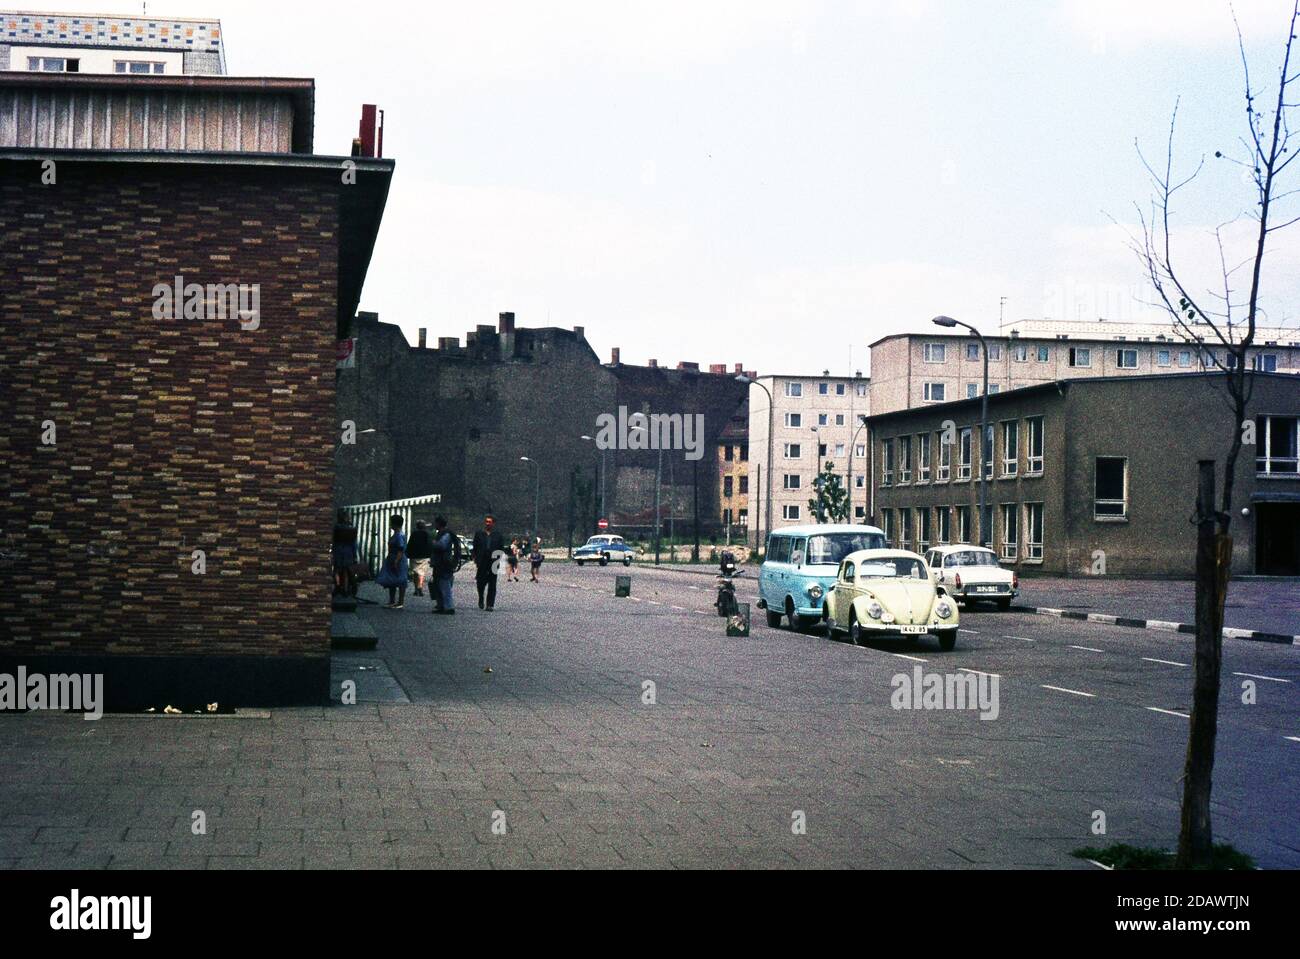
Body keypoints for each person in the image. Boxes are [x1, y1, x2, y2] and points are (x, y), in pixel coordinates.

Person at [471, 514, 507, 610]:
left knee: (492, 583)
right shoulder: (479, 533)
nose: (487, 524)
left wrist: (498, 560)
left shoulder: (498, 535)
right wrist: (475, 558)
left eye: (489, 522)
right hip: (482, 561)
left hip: (494, 561)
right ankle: (481, 597)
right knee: (480, 582)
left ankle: (490, 604)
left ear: (493, 523)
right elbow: (475, 547)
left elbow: (501, 548)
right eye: (486, 521)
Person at [375, 514, 408, 609]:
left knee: (401, 580)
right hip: (393, 558)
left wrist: (396, 561)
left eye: (391, 523)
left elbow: (400, 549)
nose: (390, 524)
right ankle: (392, 601)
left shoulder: (399, 535)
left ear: (395, 524)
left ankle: (400, 602)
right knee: (391, 580)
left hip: (398, 559)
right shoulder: (397, 534)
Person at [429, 515, 456, 615]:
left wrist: (433, 542)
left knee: (444, 585)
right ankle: (441, 605)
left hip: (443, 564)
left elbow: (441, 545)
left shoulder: (445, 534)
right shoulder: (443, 533)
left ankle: (448, 607)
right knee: (438, 585)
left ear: (439, 523)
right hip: (441, 563)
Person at [332, 509, 359, 596]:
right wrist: (355, 555)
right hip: (348, 552)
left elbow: (334, 540)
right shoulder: (351, 529)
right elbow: (353, 544)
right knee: (346, 571)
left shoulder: (337, 528)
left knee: (337, 570)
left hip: (338, 551)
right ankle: (346, 590)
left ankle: (338, 586)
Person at [408, 520, 433, 596]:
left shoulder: (414, 534)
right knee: (421, 573)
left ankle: (416, 589)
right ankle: (420, 586)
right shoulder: (427, 534)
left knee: (415, 573)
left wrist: (408, 553)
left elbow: (410, 544)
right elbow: (429, 545)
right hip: (424, 556)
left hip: (414, 556)